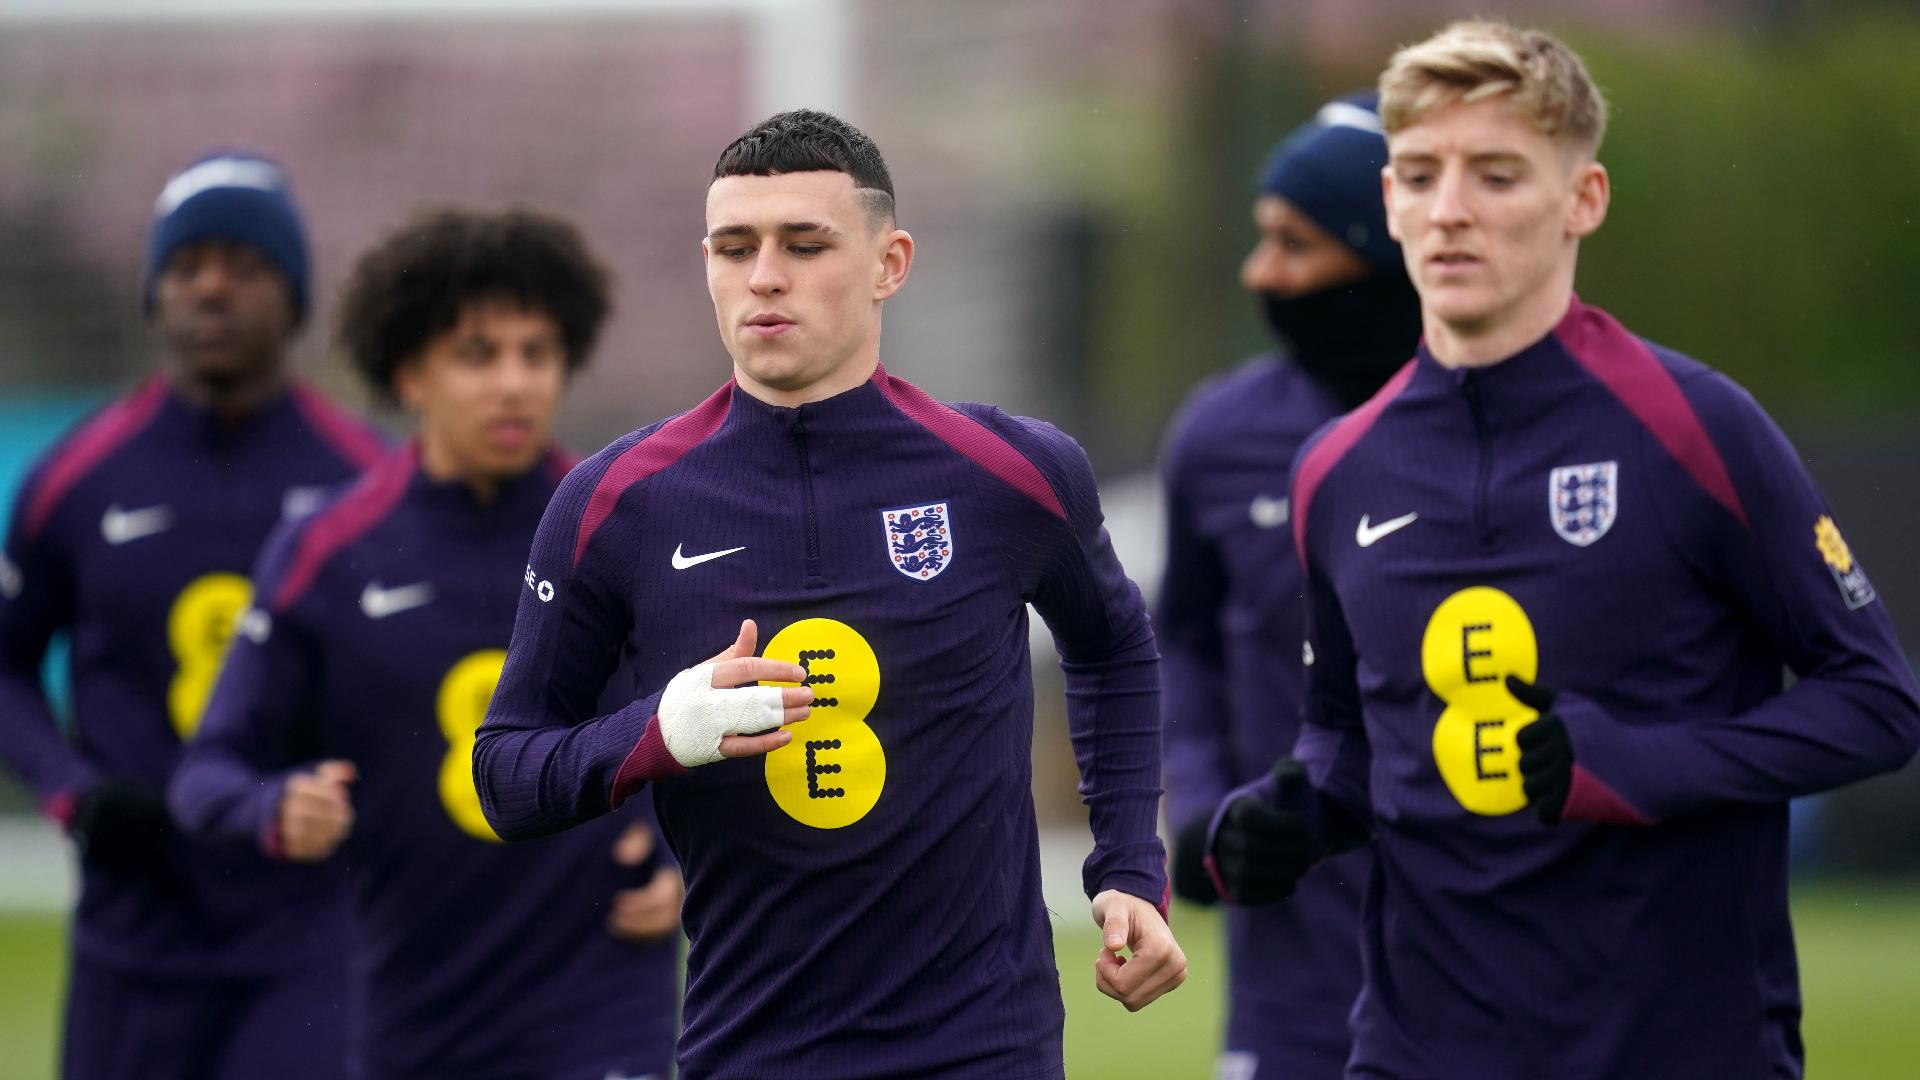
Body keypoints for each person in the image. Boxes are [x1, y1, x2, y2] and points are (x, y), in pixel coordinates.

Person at [1205, 21, 1920, 1078]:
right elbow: (1345, 740)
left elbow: (1876, 702)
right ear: (1391, 203)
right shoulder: (1335, 468)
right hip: (1416, 1050)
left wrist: (1636, 762)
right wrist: (1291, 816)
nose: (1451, 208)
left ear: (1582, 201)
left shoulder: (1695, 426)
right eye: (1419, 174)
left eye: (1497, 175)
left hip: (1678, 1046)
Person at [473, 109, 1185, 1079]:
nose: (765, 274)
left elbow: (1112, 647)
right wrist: (658, 733)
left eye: (805, 244)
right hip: (751, 1050)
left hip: (987, 1049)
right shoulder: (615, 504)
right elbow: (505, 776)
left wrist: (1130, 868)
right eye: (736, 247)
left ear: (890, 263)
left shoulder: (1011, 472)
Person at [168, 207, 682, 1080]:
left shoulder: (625, 525)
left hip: (601, 1003)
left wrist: (675, 857)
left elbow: (703, 721)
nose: (515, 383)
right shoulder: (326, 554)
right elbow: (205, 772)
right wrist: (275, 807)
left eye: (538, 353)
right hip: (414, 1013)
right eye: (478, 355)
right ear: (409, 372)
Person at [0, 151, 382, 1080]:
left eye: (244, 266)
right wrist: (71, 791)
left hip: (309, 938)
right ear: (153, 295)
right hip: (131, 939)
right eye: (186, 267)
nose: (211, 288)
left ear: (293, 297)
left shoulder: (360, 480)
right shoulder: (77, 479)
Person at [1157, 92, 1420, 1080]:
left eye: (1294, 243)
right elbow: (1179, 632)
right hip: (1291, 954)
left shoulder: (1507, 425)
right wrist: (1197, 799)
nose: (1259, 273)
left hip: (1491, 938)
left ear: (1381, 250)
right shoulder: (1218, 434)